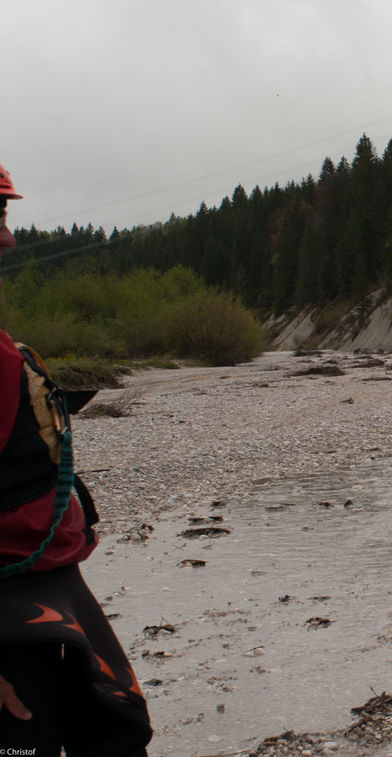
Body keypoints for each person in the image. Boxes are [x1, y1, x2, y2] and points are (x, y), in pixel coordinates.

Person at [0, 164, 151, 754]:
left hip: (48, 595)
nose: (9, 237)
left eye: (5, 216)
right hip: (14, 622)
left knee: (113, 736)